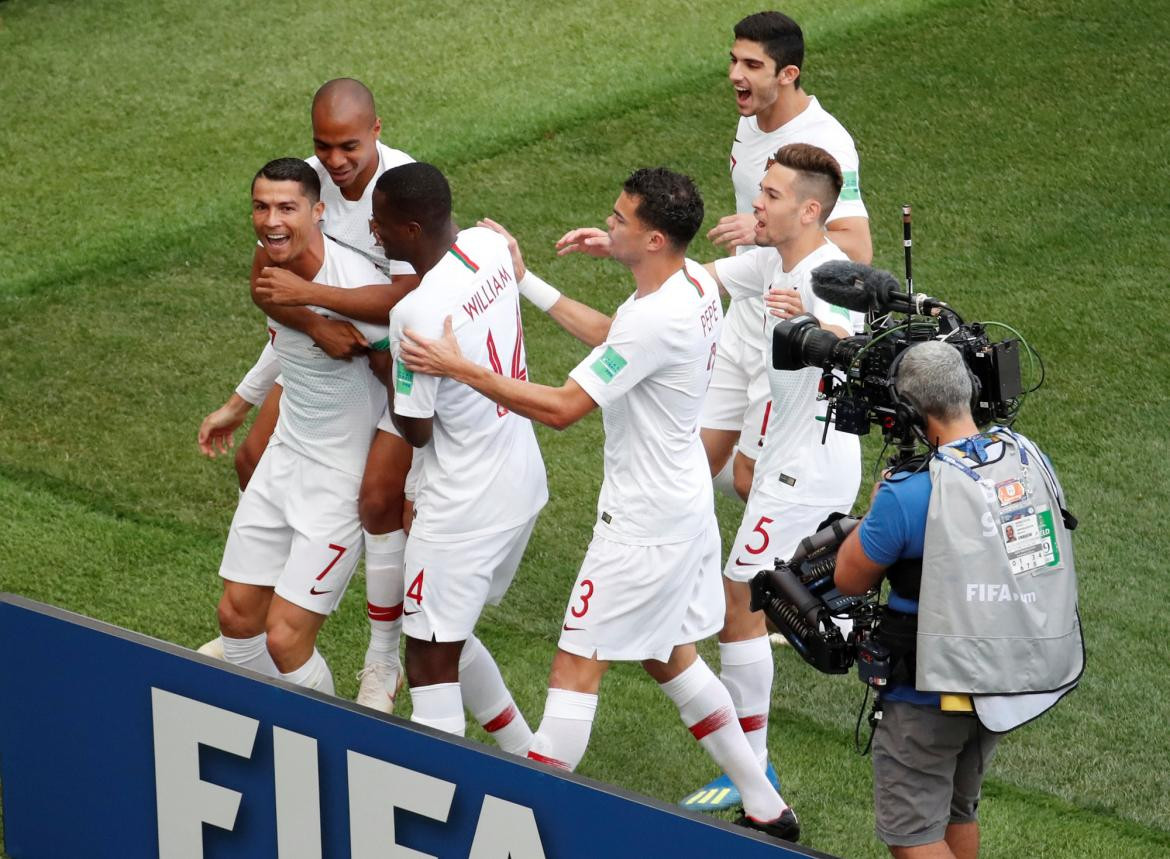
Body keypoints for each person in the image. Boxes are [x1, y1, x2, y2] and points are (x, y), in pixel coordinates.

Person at [401, 168, 800, 842]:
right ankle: (767, 804)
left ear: (651, 238)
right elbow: (615, 338)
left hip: (640, 530)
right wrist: (527, 282)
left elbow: (561, 408)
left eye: (618, 220)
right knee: (670, 655)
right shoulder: (697, 283)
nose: (604, 225)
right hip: (683, 514)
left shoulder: (655, 319)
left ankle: (519, 825)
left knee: (575, 667)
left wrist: (458, 366)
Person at [196, 79, 419, 713]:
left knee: (377, 499)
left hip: (391, 375)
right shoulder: (302, 193)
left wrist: (321, 306)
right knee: (249, 466)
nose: (337, 159)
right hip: (310, 402)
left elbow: (412, 305)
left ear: (377, 129)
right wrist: (312, 324)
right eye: (325, 147)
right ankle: (260, 663)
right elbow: (267, 288)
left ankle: (381, 660)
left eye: (348, 145)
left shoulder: (400, 190)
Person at [834, 340, 1082, 858]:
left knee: (914, 834)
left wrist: (880, 504)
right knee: (955, 808)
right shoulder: (1026, 458)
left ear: (907, 412)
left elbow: (849, 578)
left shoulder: (907, 494)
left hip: (928, 692)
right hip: (1000, 680)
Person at [678, 143, 863, 811]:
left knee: (742, 598)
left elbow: (849, 345)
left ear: (810, 209)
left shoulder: (830, 277)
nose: (758, 202)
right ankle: (753, 763)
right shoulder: (774, 263)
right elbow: (703, 277)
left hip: (804, 473)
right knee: (760, 595)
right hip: (789, 464)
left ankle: (751, 768)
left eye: (773, 195)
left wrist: (809, 324)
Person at [374, 162, 547, 755]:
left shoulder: (416, 316)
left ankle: (434, 793)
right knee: (453, 631)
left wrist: (389, 373)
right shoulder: (489, 245)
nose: (375, 235)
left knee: (426, 661)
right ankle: (530, 759)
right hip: (520, 482)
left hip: (461, 509)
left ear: (413, 229)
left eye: (383, 225)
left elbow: (416, 430)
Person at [214, 157, 398, 693]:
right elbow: (277, 322)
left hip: (337, 482)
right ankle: (270, 727)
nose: (272, 220)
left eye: (287, 208)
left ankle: (330, 748)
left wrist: (400, 479)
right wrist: (241, 401)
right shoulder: (268, 264)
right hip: (284, 455)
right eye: (261, 206)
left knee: (286, 639)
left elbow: (404, 386)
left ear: (318, 211)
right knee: (236, 618)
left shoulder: (360, 292)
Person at [702, 11, 871, 504]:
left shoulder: (826, 143)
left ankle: (809, 540)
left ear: (787, 73)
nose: (736, 74)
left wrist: (758, 235)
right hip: (744, 309)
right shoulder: (750, 117)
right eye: (734, 60)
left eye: (752, 65)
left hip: (787, 323)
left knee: (750, 480)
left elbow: (856, 249)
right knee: (695, 461)